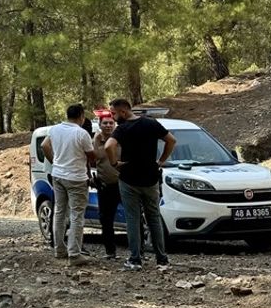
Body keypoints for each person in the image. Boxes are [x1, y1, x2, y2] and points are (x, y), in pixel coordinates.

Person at [105, 98, 176, 271]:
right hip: (150, 178)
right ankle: (162, 259)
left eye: (113, 113)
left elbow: (109, 146)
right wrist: (161, 160)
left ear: (123, 112)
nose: (112, 118)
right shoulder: (151, 124)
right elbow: (171, 140)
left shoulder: (122, 129)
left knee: (132, 218)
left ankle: (135, 259)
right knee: (154, 217)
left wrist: (115, 164)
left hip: (129, 179)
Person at [42, 104, 97, 263]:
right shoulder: (81, 133)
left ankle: (59, 249)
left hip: (57, 175)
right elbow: (91, 156)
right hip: (76, 178)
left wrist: (55, 161)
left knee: (59, 212)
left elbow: (44, 145)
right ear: (81, 116)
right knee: (77, 215)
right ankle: (74, 253)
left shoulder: (55, 129)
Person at [91, 110, 123, 260]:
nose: (108, 125)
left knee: (133, 216)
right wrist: (97, 141)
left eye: (111, 123)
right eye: (105, 123)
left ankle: (139, 251)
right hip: (105, 185)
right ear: (100, 125)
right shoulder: (96, 140)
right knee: (106, 219)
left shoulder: (120, 139)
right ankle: (110, 251)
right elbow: (92, 158)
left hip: (123, 184)